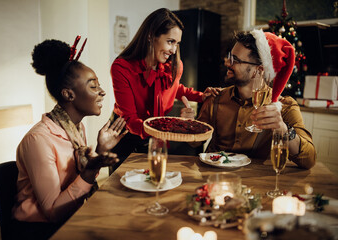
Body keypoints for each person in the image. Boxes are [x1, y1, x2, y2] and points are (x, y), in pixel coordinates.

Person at [12, 38, 127, 239]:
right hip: (39, 230)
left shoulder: (75, 128)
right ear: (69, 94)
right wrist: (91, 169)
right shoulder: (39, 140)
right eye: (93, 86)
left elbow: (80, 177)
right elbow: (53, 212)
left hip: (72, 215)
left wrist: (100, 151)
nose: (102, 92)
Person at [110, 8, 219, 169]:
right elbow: (130, 119)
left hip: (156, 135)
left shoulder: (174, 66)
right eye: (170, 41)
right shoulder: (122, 68)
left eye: (177, 43)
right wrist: (170, 128)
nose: (174, 50)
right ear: (150, 35)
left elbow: (175, 88)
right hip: (126, 136)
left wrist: (201, 96)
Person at [192, 29, 315, 169]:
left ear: (259, 70)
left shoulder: (284, 106)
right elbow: (195, 143)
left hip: (256, 183)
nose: (227, 63)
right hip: (213, 177)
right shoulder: (215, 97)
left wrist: (283, 129)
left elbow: (309, 160)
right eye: (229, 57)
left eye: (235, 60)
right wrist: (190, 124)